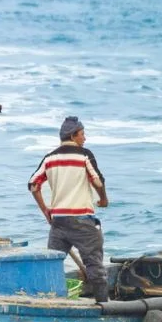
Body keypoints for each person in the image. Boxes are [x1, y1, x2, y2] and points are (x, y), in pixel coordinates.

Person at [28, 116, 110, 302]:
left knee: (51, 266)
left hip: (58, 223)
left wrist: (46, 210)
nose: (85, 138)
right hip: (82, 222)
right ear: (73, 136)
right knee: (95, 266)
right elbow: (97, 181)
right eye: (82, 134)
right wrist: (103, 199)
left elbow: (33, 185)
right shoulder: (84, 155)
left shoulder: (50, 158)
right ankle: (104, 307)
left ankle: (49, 304)